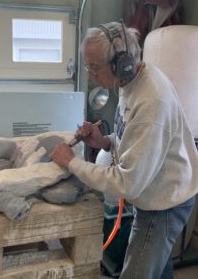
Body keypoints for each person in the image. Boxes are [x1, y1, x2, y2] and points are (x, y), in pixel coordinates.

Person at [50, 21, 198, 279]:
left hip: (164, 204)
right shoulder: (131, 82)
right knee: (157, 269)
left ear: (123, 64)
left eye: (94, 67)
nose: (90, 74)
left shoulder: (151, 101)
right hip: (153, 192)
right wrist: (104, 141)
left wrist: (71, 162)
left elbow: (126, 183)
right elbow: (133, 140)